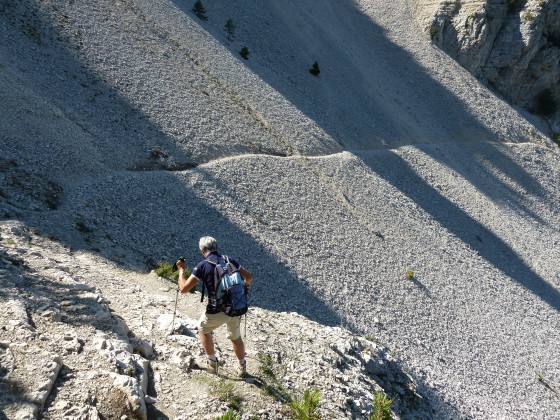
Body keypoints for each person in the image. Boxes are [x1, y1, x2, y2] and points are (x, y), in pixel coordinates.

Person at [175, 236, 254, 376]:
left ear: (203, 250)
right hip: (236, 306)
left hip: (217, 309)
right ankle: (242, 368)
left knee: (203, 329)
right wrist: (244, 288)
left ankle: (212, 364)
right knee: (235, 337)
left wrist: (181, 270)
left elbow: (183, 289)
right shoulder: (230, 260)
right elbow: (249, 276)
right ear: (216, 247)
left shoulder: (203, 266)